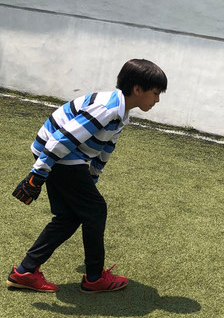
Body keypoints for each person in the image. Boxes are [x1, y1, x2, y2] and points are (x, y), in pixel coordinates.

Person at [8, 58, 167, 294]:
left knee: (69, 216)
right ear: (137, 89)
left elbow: (105, 149)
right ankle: (94, 278)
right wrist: (37, 175)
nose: (157, 100)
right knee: (95, 210)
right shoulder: (107, 109)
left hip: (64, 156)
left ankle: (25, 272)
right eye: (155, 93)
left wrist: (91, 179)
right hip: (59, 155)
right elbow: (62, 139)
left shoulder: (120, 111)